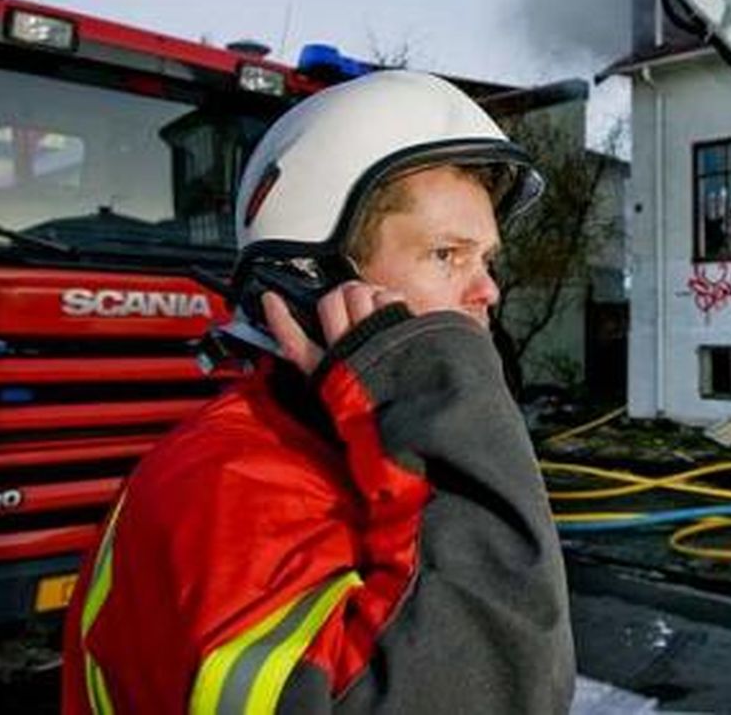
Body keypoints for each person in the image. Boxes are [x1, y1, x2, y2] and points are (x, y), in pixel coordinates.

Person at [61, 70, 575, 714]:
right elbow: (488, 685)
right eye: (447, 255)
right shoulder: (234, 490)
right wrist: (442, 397)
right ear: (313, 283)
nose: (488, 291)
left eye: (487, 259)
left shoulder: (361, 452)